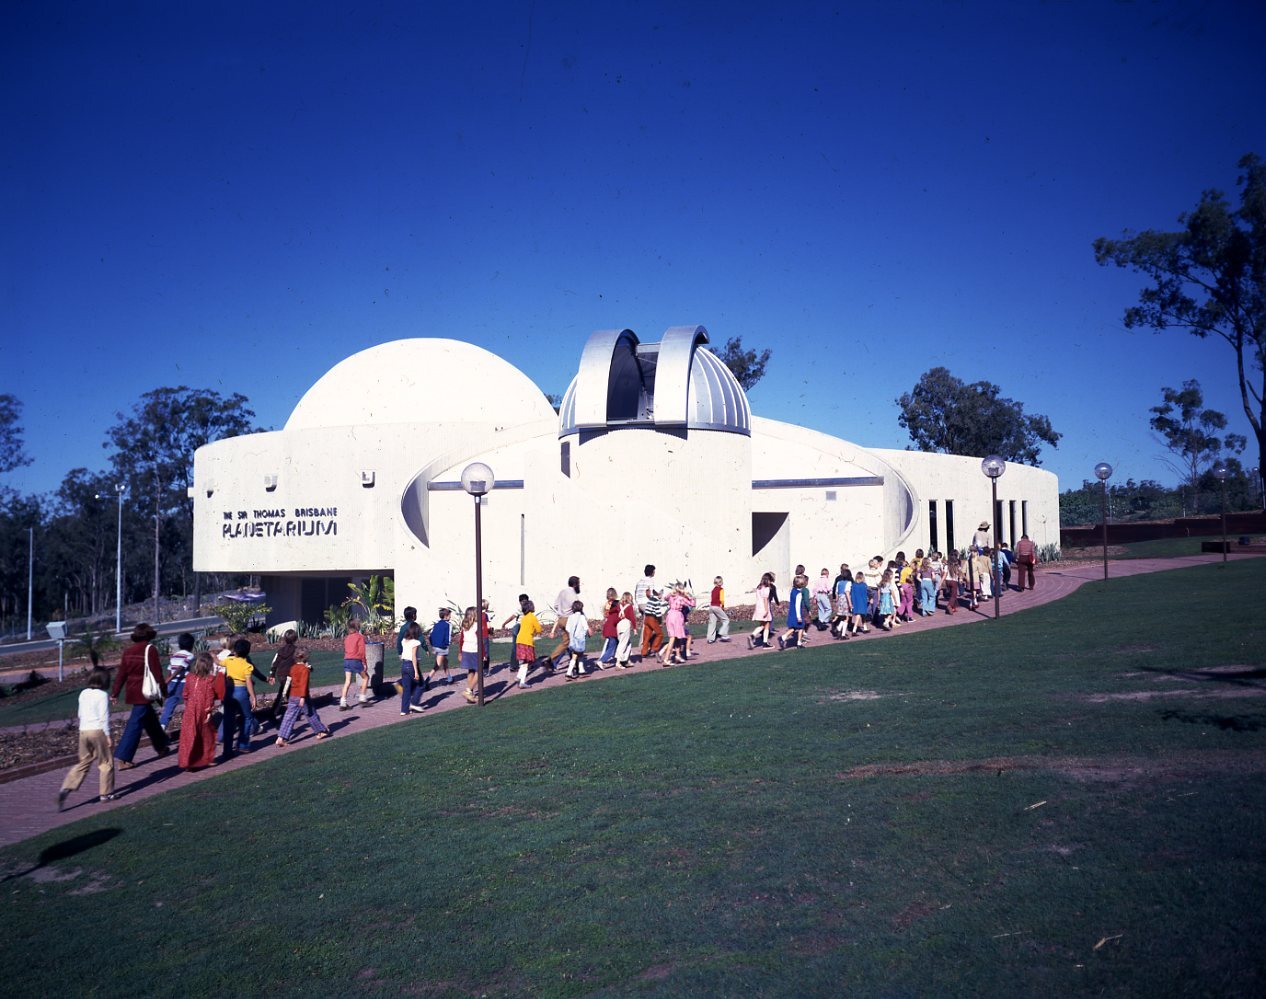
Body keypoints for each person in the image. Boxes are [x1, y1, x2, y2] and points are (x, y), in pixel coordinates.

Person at [110, 622, 171, 769]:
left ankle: (161, 746)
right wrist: (164, 691)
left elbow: (121, 674)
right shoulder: (150, 649)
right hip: (145, 693)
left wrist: (115, 693)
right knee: (135, 724)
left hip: (133, 691)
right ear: (149, 635)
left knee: (150, 720)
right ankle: (123, 758)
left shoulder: (128, 651)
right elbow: (157, 673)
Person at [59, 668, 115, 808]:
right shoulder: (103, 695)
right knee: (106, 762)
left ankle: (67, 786)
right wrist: (108, 735)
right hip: (98, 731)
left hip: (83, 730)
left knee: (84, 761)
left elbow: (79, 714)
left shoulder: (83, 693)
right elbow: (104, 717)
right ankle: (105, 793)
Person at [275, 650, 331, 744]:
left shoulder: (293, 668)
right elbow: (303, 684)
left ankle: (281, 737)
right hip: (302, 696)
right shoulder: (304, 669)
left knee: (289, 716)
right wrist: (302, 697)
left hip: (292, 695)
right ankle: (320, 731)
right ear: (306, 657)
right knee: (311, 713)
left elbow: (289, 680)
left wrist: (284, 694)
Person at [178, 652, 218, 771]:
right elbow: (210, 697)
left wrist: (189, 705)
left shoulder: (189, 677)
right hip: (202, 710)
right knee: (207, 735)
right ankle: (206, 758)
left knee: (188, 735)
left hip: (190, 709)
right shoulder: (209, 679)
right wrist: (209, 710)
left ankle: (187, 761)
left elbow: (185, 694)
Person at [220, 638, 259, 757]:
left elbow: (218, 663)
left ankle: (227, 750)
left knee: (228, 720)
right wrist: (253, 697)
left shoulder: (229, 660)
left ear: (235, 650)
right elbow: (248, 682)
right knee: (247, 717)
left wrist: (212, 656)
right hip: (241, 691)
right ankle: (243, 744)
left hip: (229, 691)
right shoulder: (247, 665)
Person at [159, 631, 196, 732]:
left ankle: (162, 727)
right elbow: (181, 667)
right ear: (191, 645)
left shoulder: (174, 655)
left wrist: (168, 681)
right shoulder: (190, 656)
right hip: (184, 683)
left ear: (179, 645)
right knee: (190, 704)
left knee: (169, 706)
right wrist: (168, 680)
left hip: (172, 684)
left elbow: (170, 669)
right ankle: (192, 726)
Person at [548, 576, 582, 668]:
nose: (579, 585)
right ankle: (577, 666)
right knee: (574, 642)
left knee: (566, 642)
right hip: (569, 619)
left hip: (561, 619)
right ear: (575, 584)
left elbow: (555, 605)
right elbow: (578, 608)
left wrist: (561, 611)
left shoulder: (562, 592)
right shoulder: (573, 595)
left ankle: (552, 659)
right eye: (578, 584)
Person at [267, 629, 300, 725]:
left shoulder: (280, 651)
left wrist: (272, 674)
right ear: (295, 639)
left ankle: (293, 711)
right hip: (289, 676)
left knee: (288, 692)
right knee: (282, 694)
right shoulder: (296, 650)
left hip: (281, 675)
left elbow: (274, 663)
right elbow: (299, 662)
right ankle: (273, 714)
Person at [661, 582, 694, 665]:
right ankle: (666, 659)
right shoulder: (681, 598)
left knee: (677, 637)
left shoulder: (671, 596)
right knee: (673, 637)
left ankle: (678, 656)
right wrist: (688, 596)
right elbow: (692, 604)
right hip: (677, 616)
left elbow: (665, 598)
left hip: (670, 615)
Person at [339, 619, 368, 710]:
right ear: (357, 627)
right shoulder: (360, 637)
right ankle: (362, 699)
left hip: (347, 660)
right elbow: (362, 651)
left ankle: (343, 703)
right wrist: (364, 663)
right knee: (366, 678)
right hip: (356, 661)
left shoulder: (347, 638)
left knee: (347, 681)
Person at [399, 621, 427, 715]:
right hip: (411, 666)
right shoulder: (416, 642)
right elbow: (413, 656)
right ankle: (414, 703)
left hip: (404, 665)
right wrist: (416, 672)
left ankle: (404, 710)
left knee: (406, 689)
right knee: (421, 685)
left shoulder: (404, 641)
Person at [636, 565, 664, 659]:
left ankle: (644, 646)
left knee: (646, 625)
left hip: (640, 603)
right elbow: (650, 594)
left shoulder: (640, 581)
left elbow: (637, 592)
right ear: (652, 572)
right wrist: (659, 597)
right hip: (646, 603)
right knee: (651, 624)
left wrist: (638, 605)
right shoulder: (650, 581)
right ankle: (645, 646)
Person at [514, 599, 543, 688]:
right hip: (527, 641)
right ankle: (522, 682)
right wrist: (537, 631)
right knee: (527, 662)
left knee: (524, 661)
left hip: (519, 640)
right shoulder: (532, 617)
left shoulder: (524, 617)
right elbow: (539, 629)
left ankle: (519, 676)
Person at [777, 574, 809, 649]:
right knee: (801, 627)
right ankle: (798, 643)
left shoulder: (793, 591)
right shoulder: (799, 594)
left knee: (794, 628)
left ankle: (783, 638)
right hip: (797, 613)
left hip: (792, 611)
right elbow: (797, 606)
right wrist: (799, 617)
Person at [747, 572, 776, 649]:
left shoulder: (759, 588)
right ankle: (763, 642)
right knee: (766, 625)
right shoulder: (766, 589)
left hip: (758, 608)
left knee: (763, 625)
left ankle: (755, 637)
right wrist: (766, 610)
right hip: (764, 608)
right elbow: (765, 600)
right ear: (768, 580)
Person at [459, 607, 481, 703]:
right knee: (479, 671)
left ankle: (470, 694)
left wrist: (460, 652)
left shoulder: (465, 625)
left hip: (466, 650)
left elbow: (461, 639)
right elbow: (481, 639)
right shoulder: (477, 625)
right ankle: (468, 691)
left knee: (471, 671)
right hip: (474, 650)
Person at [428, 608, 454, 686]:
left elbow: (430, 635)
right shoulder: (448, 624)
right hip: (442, 647)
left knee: (445, 661)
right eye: (449, 615)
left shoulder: (436, 624)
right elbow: (448, 636)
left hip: (435, 646)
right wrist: (447, 644)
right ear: (446, 616)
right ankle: (426, 682)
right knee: (437, 665)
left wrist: (432, 644)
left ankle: (449, 678)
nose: (450, 617)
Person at [564, 600, 590, 679]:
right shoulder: (581, 617)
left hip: (572, 639)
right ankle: (568, 673)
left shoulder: (570, 617)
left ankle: (581, 670)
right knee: (575, 655)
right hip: (579, 639)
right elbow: (585, 627)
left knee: (580, 655)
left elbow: (567, 628)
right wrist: (584, 633)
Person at [598, 588, 620, 665]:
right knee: (612, 644)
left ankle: (612, 656)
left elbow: (606, 615)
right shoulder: (615, 604)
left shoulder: (607, 604)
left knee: (612, 642)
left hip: (608, 623)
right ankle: (603, 659)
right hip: (612, 625)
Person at [614, 591, 636, 667]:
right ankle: (618, 662)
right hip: (626, 624)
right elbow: (632, 618)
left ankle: (626, 660)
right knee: (623, 643)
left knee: (628, 643)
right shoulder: (629, 606)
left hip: (619, 625)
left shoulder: (618, 605)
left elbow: (614, 615)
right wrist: (635, 628)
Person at [706, 576, 730, 643]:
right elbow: (722, 600)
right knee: (726, 620)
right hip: (716, 607)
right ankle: (723, 634)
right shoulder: (721, 589)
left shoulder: (713, 590)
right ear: (721, 582)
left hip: (711, 607)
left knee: (712, 623)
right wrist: (723, 607)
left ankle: (710, 638)